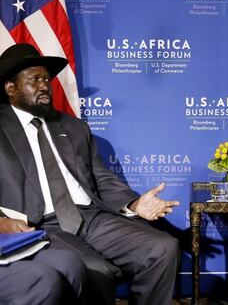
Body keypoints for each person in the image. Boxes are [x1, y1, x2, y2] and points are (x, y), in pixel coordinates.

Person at [0, 43, 180, 305]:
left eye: (47, 80)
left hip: (91, 218)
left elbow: (100, 178)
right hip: (40, 224)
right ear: (10, 89)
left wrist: (134, 204)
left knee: (163, 248)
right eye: (34, 80)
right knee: (97, 271)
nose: (44, 87)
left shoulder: (73, 127)